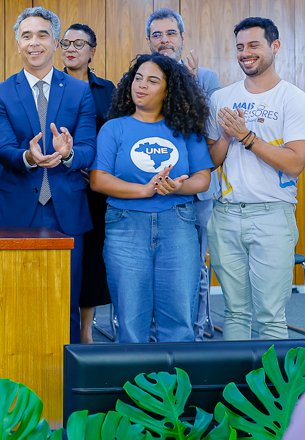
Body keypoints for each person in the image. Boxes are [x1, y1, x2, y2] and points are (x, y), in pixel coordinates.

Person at [0, 6, 97, 344]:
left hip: (67, 212)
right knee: (11, 300)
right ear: (18, 43)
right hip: (15, 212)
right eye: (27, 36)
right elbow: (3, 147)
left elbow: (90, 148)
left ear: (56, 43)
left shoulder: (79, 92)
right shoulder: (0, 92)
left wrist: (69, 154)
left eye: (42, 35)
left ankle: (67, 382)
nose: (34, 43)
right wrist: (28, 156)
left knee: (66, 303)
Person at [90, 53, 214, 343]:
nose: (141, 86)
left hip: (178, 224)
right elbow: (98, 179)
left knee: (179, 323)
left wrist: (177, 187)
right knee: (131, 325)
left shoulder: (185, 129)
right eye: (138, 78)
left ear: (168, 90)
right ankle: (134, 388)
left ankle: (176, 388)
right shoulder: (114, 128)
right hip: (125, 226)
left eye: (152, 80)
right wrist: (144, 190)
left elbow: (202, 177)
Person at [206, 17, 305, 340]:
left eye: (253, 45)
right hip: (226, 214)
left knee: (270, 316)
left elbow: (295, 164)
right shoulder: (221, 97)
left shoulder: (293, 99)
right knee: (234, 311)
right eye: (239, 47)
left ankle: (271, 392)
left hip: (272, 215)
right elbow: (212, 161)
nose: (245, 53)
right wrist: (225, 136)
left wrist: (246, 136)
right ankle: (234, 390)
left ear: (275, 46)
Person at [145, 7, 222, 342]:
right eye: (157, 35)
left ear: (182, 37)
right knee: (157, 264)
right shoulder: (142, 76)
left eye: (171, 33)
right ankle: (154, 330)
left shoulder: (205, 77)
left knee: (198, 265)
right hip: (157, 190)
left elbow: (207, 133)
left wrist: (189, 84)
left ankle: (199, 327)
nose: (165, 40)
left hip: (199, 192)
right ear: (149, 40)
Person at [60, 23, 115, 344]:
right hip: (57, 182)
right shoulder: (49, 84)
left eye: (79, 44)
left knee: (90, 259)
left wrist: (95, 168)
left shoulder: (108, 90)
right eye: (65, 43)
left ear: (92, 51)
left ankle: (85, 329)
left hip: (94, 189)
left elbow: (115, 137)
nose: (71, 49)